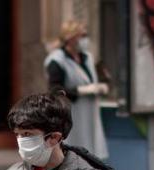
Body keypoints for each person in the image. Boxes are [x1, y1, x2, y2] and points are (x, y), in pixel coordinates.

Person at [45, 20, 109, 161]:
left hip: (90, 114)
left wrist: (101, 85)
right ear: (71, 38)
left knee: (91, 155)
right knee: (74, 155)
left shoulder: (87, 57)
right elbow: (54, 89)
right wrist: (80, 91)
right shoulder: (57, 61)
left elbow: (95, 77)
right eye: (82, 35)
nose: (85, 39)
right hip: (72, 115)